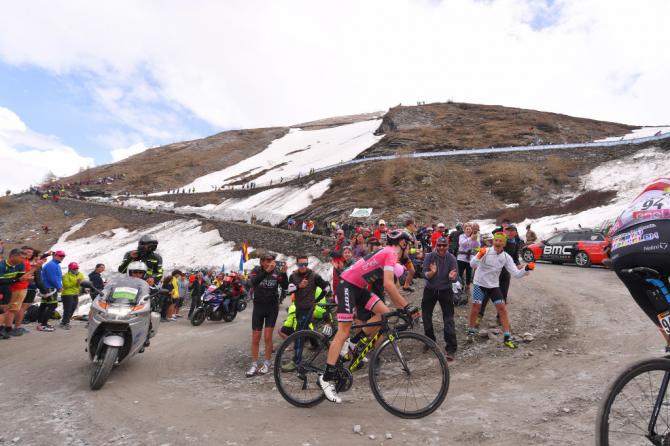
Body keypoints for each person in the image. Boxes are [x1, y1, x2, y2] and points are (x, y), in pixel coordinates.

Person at [318, 230, 419, 404]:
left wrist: (403, 306)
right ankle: (326, 378)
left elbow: (393, 283)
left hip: (358, 288)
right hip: (347, 285)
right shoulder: (390, 252)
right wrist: (406, 307)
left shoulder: (389, 254)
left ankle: (353, 343)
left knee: (384, 313)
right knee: (343, 331)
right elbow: (388, 284)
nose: (408, 248)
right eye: (408, 244)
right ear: (402, 243)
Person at [608, 178, 670, 349]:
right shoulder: (665, 194)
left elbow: (610, 235)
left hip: (620, 253)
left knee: (660, 312)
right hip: (661, 240)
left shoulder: (637, 202)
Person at [467, 233, 533, 348]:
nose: (497, 243)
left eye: (500, 241)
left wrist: (527, 269)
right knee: (476, 307)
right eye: (496, 240)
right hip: (480, 284)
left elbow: (516, 274)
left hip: (493, 286)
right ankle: (471, 331)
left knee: (502, 309)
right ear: (493, 242)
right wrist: (478, 256)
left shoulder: (506, 257)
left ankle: (507, 337)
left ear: (504, 244)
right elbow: (472, 264)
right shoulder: (485, 251)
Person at [283, 255, 331, 371]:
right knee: (304, 331)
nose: (303, 266)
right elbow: (288, 290)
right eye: (301, 264)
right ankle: (321, 345)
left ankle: (296, 361)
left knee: (299, 334)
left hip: (309, 309)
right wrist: (299, 286)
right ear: (297, 264)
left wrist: (317, 300)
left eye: (305, 264)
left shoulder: (314, 276)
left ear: (308, 263)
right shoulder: (293, 276)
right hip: (299, 308)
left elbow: (327, 287)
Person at [247, 253, 288, 377]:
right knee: (255, 336)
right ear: (262, 262)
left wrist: (284, 273)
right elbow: (252, 283)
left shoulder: (276, 272)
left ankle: (267, 362)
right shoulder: (256, 270)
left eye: (272, 260)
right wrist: (266, 272)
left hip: (271, 307)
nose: (270, 262)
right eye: (268, 260)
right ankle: (254, 364)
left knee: (268, 337)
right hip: (259, 306)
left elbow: (285, 286)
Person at [422, 236, 459, 360]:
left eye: (444, 245)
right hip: (430, 290)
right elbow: (424, 274)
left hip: (445, 290)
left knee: (448, 319)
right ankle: (429, 341)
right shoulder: (429, 256)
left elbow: (455, 276)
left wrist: (451, 277)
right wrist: (432, 272)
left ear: (448, 246)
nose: (442, 248)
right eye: (439, 245)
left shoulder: (452, 258)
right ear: (436, 245)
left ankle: (451, 348)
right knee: (426, 316)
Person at [0, 249, 33, 339]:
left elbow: (21, 277)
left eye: (24, 258)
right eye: (21, 258)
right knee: (3, 309)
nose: (23, 260)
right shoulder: (1, 265)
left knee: (5, 309)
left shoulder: (20, 264)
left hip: (7, 289)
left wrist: (35, 269)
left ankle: (4, 328)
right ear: (12, 257)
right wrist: (17, 280)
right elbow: (1, 281)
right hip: (2, 287)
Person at [37, 251, 65, 332]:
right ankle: (43, 324)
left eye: (63, 256)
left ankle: (41, 323)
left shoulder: (53, 264)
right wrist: (59, 287)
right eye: (60, 256)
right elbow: (52, 278)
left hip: (47, 287)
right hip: (50, 288)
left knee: (44, 305)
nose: (62, 257)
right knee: (52, 305)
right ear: (55, 256)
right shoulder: (52, 265)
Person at [457, 223, 480, 296]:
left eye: (469, 229)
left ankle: (467, 287)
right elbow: (462, 243)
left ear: (471, 230)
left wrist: (476, 239)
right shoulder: (461, 236)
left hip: (470, 258)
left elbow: (477, 246)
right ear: (464, 230)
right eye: (467, 229)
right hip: (461, 258)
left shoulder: (474, 236)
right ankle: (459, 287)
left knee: (469, 274)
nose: (468, 230)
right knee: (460, 273)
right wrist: (470, 238)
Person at [60, 262, 85, 330]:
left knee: (73, 308)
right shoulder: (66, 275)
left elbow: (82, 282)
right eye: (74, 268)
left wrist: (81, 284)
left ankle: (66, 321)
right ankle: (65, 322)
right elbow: (66, 285)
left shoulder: (80, 274)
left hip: (75, 293)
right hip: (67, 294)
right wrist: (76, 282)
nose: (76, 269)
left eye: (76, 268)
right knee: (68, 309)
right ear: (70, 269)